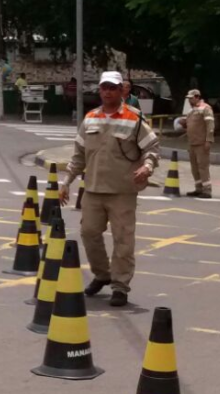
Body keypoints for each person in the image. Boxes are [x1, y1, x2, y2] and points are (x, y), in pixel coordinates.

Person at [58, 71, 160, 307]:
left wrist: (147, 167)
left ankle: (120, 286)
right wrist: (66, 182)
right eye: (104, 87)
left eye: (112, 88)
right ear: (100, 90)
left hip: (122, 191)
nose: (107, 92)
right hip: (93, 189)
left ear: (121, 90)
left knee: (123, 240)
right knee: (88, 233)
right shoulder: (90, 118)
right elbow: (78, 155)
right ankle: (102, 274)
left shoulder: (134, 118)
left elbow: (152, 148)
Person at [178, 89, 215, 198]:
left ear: (197, 97)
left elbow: (210, 125)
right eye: (188, 99)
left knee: (203, 167)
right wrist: (184, 123)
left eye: (191, 98)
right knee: (194, 168)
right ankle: (198, 188)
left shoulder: (205, 108)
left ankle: (207, 190)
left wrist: (209, 140)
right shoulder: (191, 110)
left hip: (201, 143)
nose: (189, 100)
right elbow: (190, 124)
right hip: (192, 143)